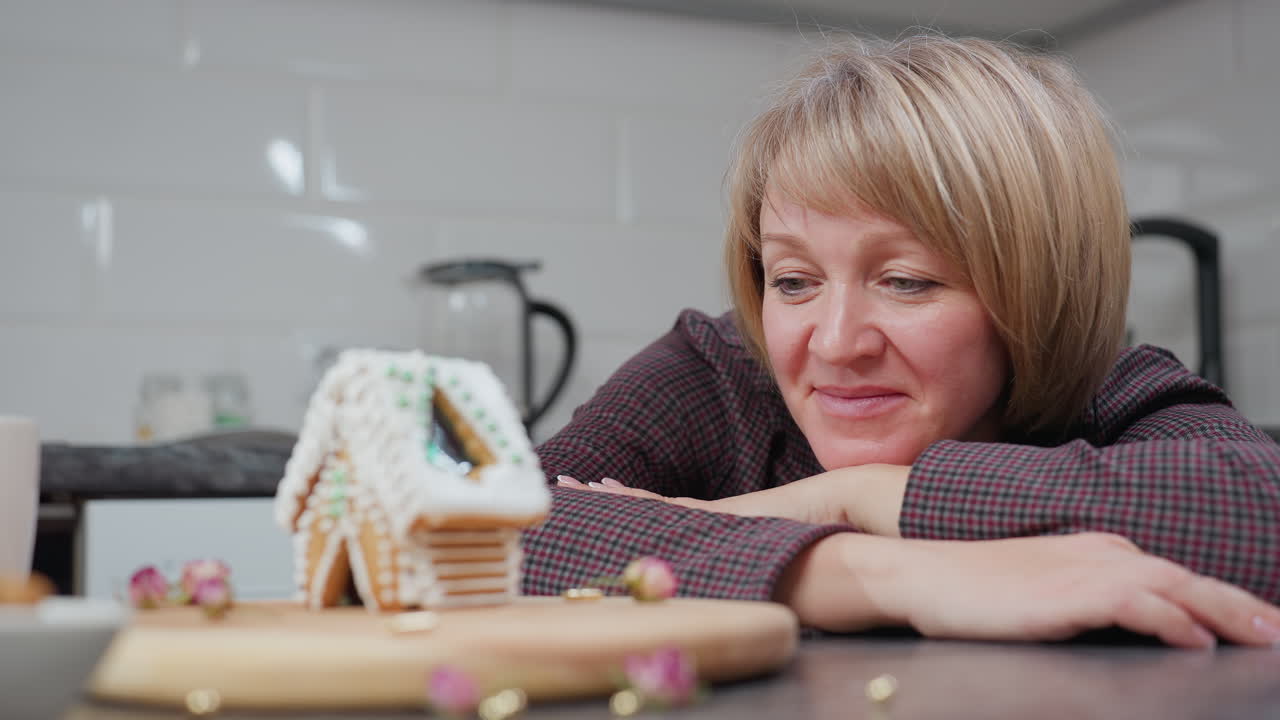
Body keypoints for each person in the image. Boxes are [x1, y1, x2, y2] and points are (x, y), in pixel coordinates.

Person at [523, 33, 1280, 649]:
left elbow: (1259, 511)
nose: (836, 342)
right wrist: (873, 571)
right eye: (793, 281)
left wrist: (858, 495)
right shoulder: (717, 372)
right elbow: (490, 528)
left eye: (908, 280)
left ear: (1038, 291)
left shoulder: (1116, 389)